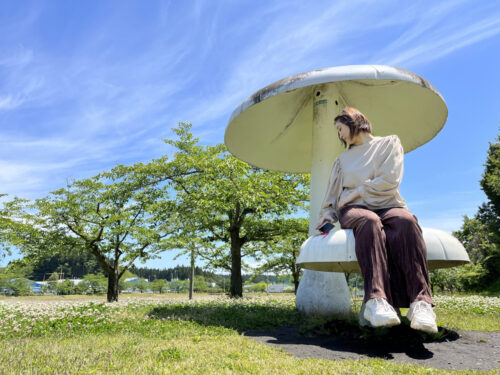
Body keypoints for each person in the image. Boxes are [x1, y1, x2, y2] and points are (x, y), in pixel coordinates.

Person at [315, 107, 437, 333]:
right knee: (369, 221)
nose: (339, 135)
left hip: (389, 205)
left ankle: (421, 304)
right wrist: (328, 216)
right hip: (354, 210)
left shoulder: (389, 143)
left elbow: (390, 180)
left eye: (340, 129)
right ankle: (376, 300)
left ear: (353, 122)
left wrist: (355, 190)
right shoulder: (342, 160)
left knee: (407, 222)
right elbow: (333, 196)